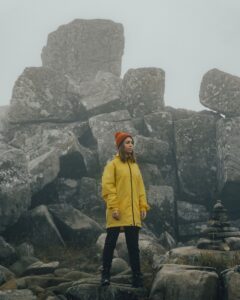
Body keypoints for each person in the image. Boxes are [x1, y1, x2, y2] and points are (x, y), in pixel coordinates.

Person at [100, 131, 150, 288]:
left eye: (132, 142)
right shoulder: (112, 165)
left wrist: (143, 206)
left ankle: (137, 277)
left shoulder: (135, 166)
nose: (131, 145)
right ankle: (105, 275)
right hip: (117, 212)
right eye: (128, 142)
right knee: (110, 244)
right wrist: (114, 207)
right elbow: (108, 188)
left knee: (133, 247)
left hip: (133, 213)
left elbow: (140, 188)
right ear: (121, 145)